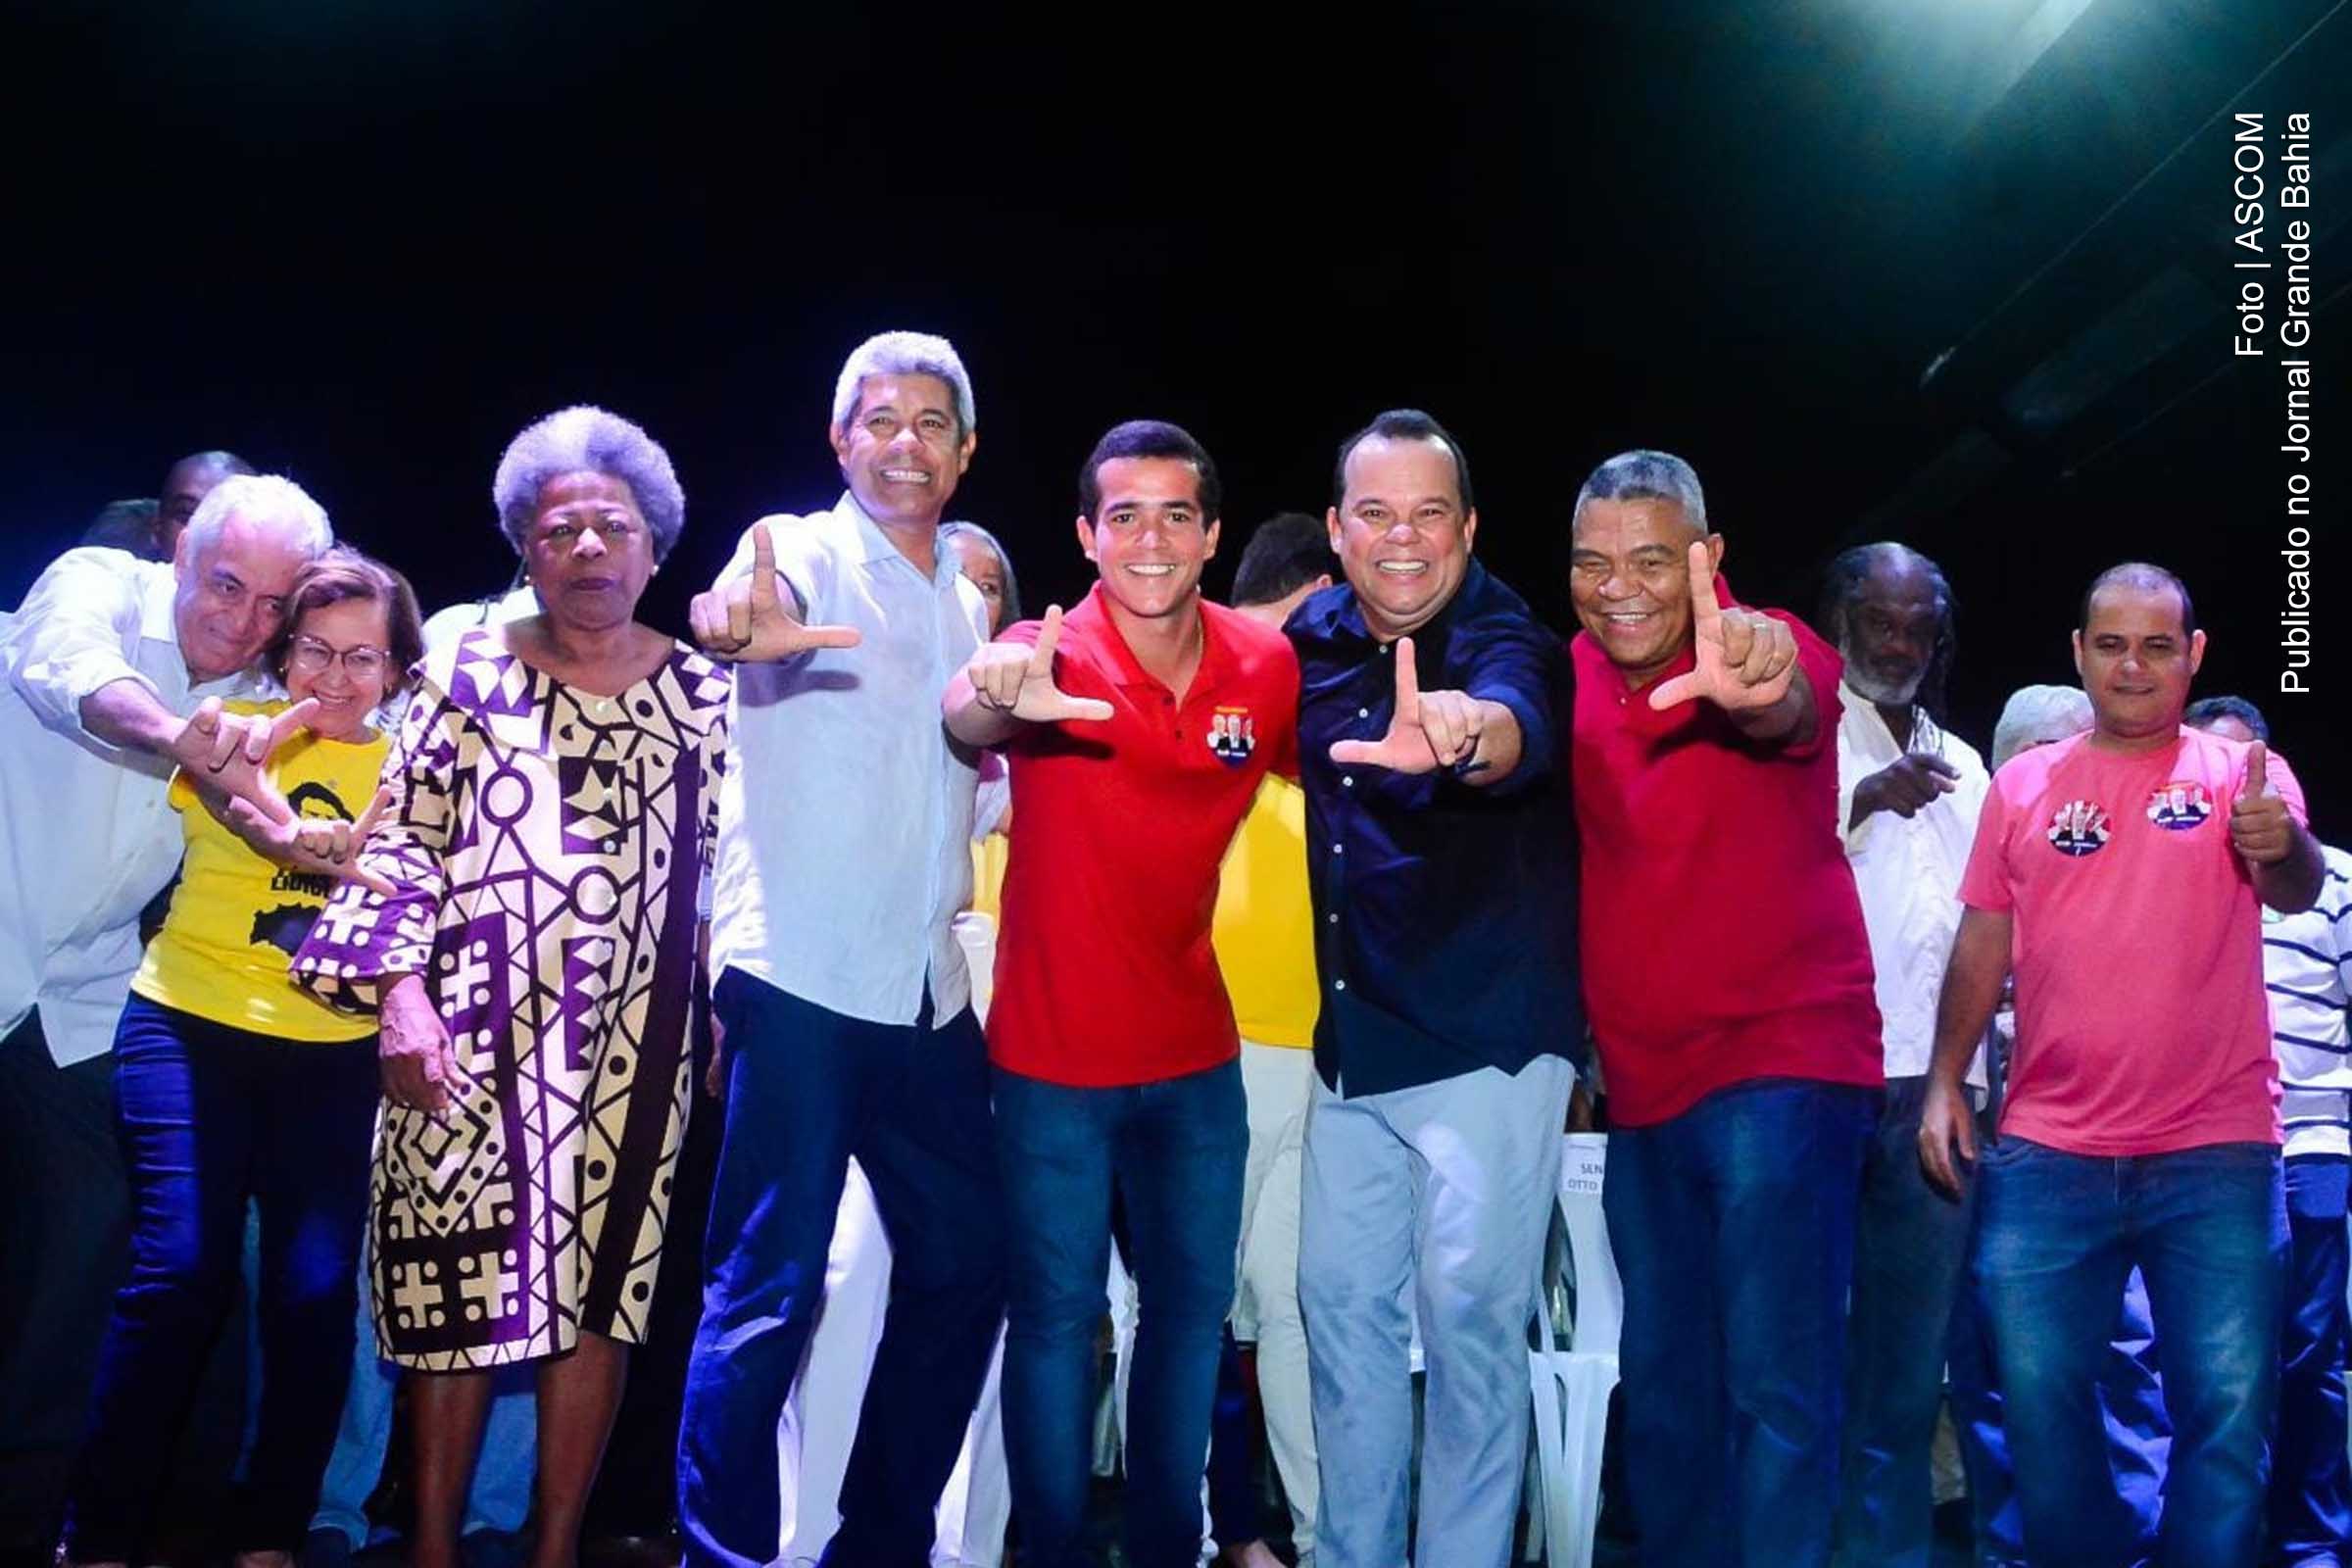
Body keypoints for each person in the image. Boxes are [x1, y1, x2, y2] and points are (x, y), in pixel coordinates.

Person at [290, 407, 728, 1568]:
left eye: (613, 527)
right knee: (451, 1308)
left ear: (654, 547)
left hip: (641, 1056)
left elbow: (740, 873)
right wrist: (398, 997)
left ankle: (553, 1551)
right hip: (464, 1037)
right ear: (525, 548)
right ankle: (431, 1548)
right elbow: (402, 842)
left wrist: (734, 1016)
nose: (588, 548)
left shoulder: (707, 697)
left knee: (600, 1302)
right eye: (560, 528)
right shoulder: (464, 669)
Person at [944, 418, 1298, 1568]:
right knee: (1054, 1326)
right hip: (1050, 1065)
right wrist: (986, 692)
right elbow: (973, 711)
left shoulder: (1264, 662)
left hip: (1198, 1061)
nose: (1152, 538)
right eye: (1125, 515)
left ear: (1211, 535)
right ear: (1088, 536)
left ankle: (1165, 1550)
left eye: (1177, 514)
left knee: (1193, 1326)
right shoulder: (1043, 654)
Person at [677, 331, 1004, 1568]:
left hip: (924, 985)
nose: (904, 442)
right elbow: (741, 612)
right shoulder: (796, 549)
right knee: (767, 1290)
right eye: (879, 419)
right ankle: (725, 1555)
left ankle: (877, 1544)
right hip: (806, 974)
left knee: (971, 1257)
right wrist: (730, 624)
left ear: (965, 453)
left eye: (931, 423)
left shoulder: (969, 601)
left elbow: (957, 789)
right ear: (839, 439)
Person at [1919, 564, 2319, 1565]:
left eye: (2155, 645)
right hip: (2051, 1152)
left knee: (2226, 1419)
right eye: (2110, 644)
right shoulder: (2022, 785)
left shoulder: (2244, 774)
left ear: (2194, 655)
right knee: (2041, 1412)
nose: (2131, 664)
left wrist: (2286, 848)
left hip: (2217, 1153)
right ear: (2078, 652)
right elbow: (1983, 938)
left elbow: (2295, 888)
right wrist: (1943, 1080)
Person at [59, 550, 419, 1568]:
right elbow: (243, 809)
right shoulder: (228, 727)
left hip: (331, 1051)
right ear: (285, 648)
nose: (336, 678)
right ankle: (99, 1534)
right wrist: (305, 833)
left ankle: (268, 1535)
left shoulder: (420, 767)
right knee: (179, 1272)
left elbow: (417, 890)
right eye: (315, 650)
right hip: (189, 1021)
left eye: (363, 657)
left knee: (313, 1297)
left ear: (396, 667)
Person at [0, 473, 332, 1561]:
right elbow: (68, 678)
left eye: (273, 604)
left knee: (83, 1279)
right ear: (181, 550)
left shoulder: (272, 698)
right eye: (226, 585)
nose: (242, 621)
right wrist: (181, 737)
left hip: (81, 1009)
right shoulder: (98, 582)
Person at [1566, 449, 1881, 1568]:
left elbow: (1787, 708)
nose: (1621, 586)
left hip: (1782, 1068)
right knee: (1664, 1390)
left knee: (1775, 1382)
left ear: (1708, 558)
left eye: (1652, 559)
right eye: (1593, 563)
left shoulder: (1770, 640)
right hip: (1645, 1091)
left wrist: (1760, 680)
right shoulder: (1573, 675)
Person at [1289, 411, 1578, 1568]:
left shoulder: (1508, 638)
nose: (1400, 538)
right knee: (1339, 1317)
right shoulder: (1305, 637)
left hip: (1487, 1041)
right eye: (1375, 512)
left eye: (1427, 514)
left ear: (1466, 527)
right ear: (1338, 529)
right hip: (1353, 1043)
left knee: (1470, 1334)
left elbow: (1517, 725)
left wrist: (1465, 733)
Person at [1817, 543, 1989, 1568]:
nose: (1897, 642)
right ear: (1839, 620)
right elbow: (1752, 883)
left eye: (1917, 624)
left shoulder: (1969, 763)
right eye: (1879, 620)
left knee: (1905, 1367)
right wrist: (1861, 802)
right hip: (1821, 1081)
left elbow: (1994, 923)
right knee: (1802, 1352)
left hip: (1940, 1089)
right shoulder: (1799, 742)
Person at [2187, 693, 2352, 1566]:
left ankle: (2312, 1545)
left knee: (2305, 1355)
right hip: (2211, 1147)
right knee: (2215, 1368)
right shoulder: (2180, 873)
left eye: (2249, 766)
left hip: (2312, 1146)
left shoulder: (2338, 880)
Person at [1210, 512, 1334, 1566]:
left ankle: (1323, 1532)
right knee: (1198, 1298)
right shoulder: (1214, 668)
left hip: (1308, 1042)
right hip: (1222, 1033)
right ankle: (1222, 1529)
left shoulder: (1311, 701)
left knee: (1293, 1300)